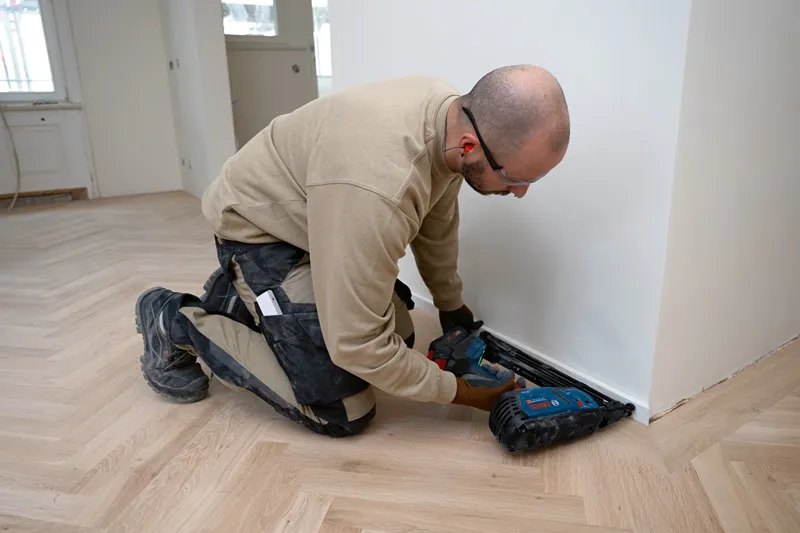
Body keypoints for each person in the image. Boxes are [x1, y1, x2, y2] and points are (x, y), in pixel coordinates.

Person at [134, 65, 571, 437]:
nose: (520, 193)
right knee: (343, 408)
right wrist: (463, 394)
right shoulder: (376, 187)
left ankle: (253, 305)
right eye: (513, 178)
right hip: (259, 230)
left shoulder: (451, 117)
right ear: (471, 147)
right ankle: (176, 319)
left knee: (400, 331)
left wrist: (449, 303)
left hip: (319, 221)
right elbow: (357, 345)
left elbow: (436, 225)